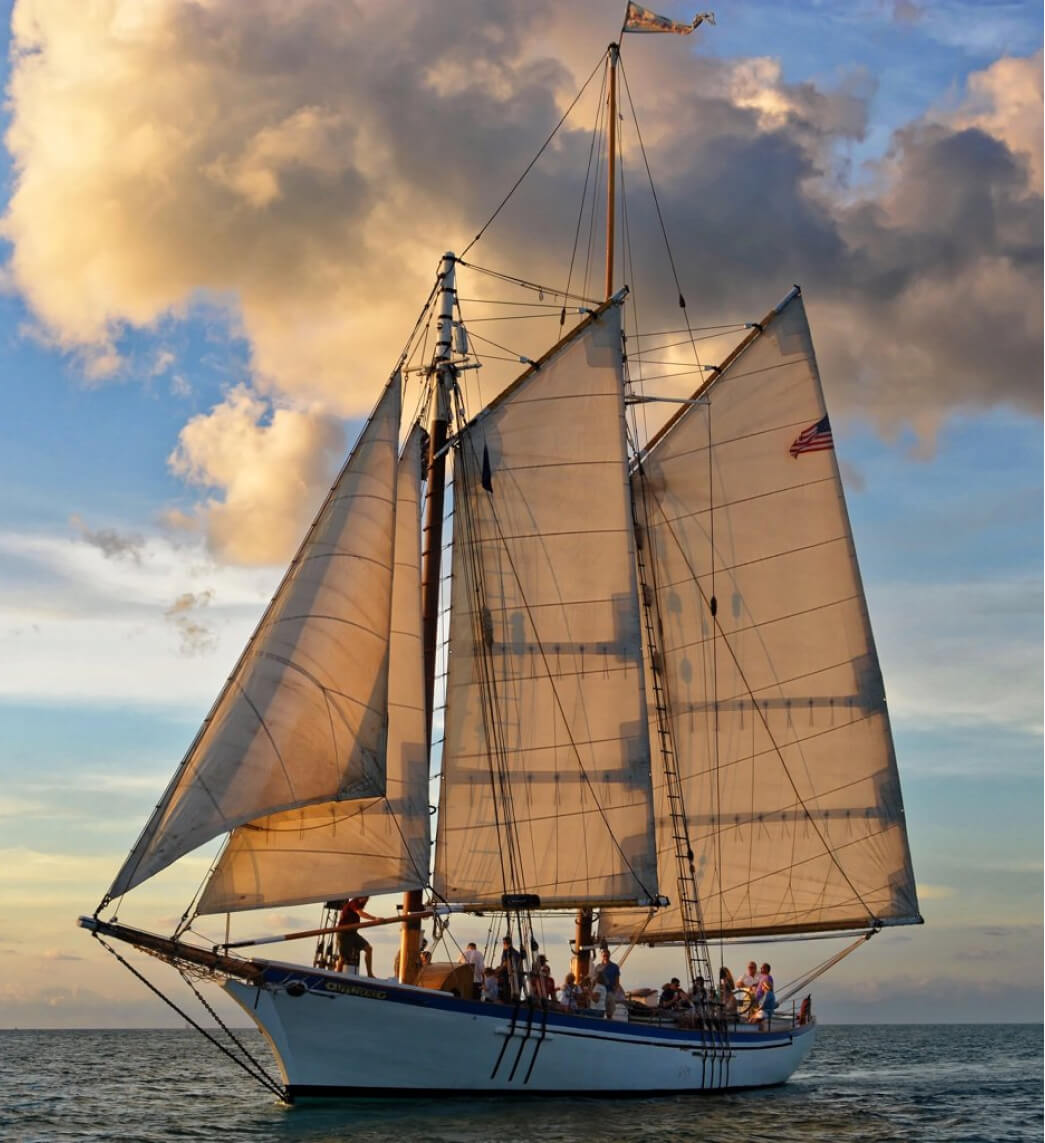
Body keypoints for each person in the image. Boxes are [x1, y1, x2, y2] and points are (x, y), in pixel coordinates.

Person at [335, 896, 379, 975]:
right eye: (366, 899)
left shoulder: (356, 904)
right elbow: (361, 913)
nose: (366, 901)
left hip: (353, 934)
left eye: (367, 899)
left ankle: (370, 974)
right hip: (344, 934)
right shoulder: (354, 903)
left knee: (368, 949)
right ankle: (337, 975)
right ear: (361, 897)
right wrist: (375, 918)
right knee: (343, 958)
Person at [597, 947, 621, 1019]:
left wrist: (615, 990)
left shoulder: (615, 967)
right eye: (604, 955)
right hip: (600, 992)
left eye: (607, 955)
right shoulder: (598, 967)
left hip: (610, 991)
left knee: (610, 1012)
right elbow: (594, 979)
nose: (606, 957)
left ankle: (609, 1021)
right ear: (601, 956)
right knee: (600, 1010)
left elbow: (617, 980)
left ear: (609, 955)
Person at [498, 935, 523, 1002]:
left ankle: (506, 1001)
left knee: (507, 989)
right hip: (517, 976)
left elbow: (505, 963)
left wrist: (498, 971)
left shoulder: (506, 951)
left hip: (508, 975)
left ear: (504, 943)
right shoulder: (516, 952)